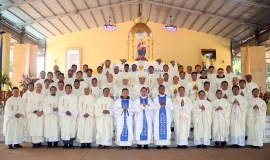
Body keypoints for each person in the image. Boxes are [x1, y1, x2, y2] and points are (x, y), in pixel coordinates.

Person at [153, 85, 173, 149]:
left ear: (164, 90)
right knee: (158, 129)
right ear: (158, 90)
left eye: (162, 89)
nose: (161, 90)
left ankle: (165, 144)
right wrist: (159, 104)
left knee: (166, 129)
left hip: (166, 116)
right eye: (160, 89)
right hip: (158, 116)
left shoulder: (168, 99)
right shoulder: (155, 98)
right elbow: (153, 108)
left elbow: (172, 107)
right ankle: (158, 144)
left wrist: (165, 105)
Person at [26, 83, 45, 148]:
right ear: (35, 88)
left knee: (40, 127)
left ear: (42, 88)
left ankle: (39, 142)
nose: (39, 88)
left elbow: (45, 105)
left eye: (40, 87)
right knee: (34, 128)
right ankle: (34, 142)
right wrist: (36, 112)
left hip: (41, 114)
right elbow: (29, 105)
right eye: (37, 87)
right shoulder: (31, 95)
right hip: (34, 114)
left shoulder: (44, 96)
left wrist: (42, 111)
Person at [58, 84, 78, 149]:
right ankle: (65, 144)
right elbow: (60, 106)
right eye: (67, 88)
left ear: (71, 89)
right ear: (65, 89)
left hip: (71, 116)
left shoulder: (75, 97)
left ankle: (71, 144)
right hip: (64, 116)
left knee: (72, 129)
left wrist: (70, 112)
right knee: (64, 129)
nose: (68, 89)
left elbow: (75, 106)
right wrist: (65, 111)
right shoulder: (62, 97)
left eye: (70, 88)